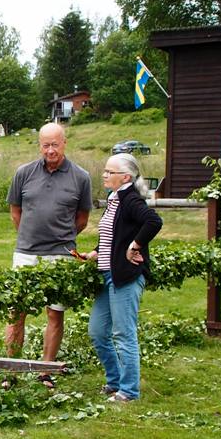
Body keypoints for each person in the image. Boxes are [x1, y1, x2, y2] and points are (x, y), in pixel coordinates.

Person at [3, 122, 92, 389]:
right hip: (26, 254)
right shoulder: (23, 173)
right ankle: (12, 370)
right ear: (39, 145)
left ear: (65, 142)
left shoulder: (81, 177)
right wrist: (30, 236)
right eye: (45, 145)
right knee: (16, 312)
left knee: (55, 313)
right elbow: (15, 212)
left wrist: (59, 238)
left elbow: (82, 219)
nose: (50, 150)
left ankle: (45, 370)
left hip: (61, 255)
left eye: (55, 144)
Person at [79, 153, 162, 402]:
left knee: (124, 334)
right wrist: (95, 252)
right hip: (107, 273)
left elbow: (153, 221)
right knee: (97, 332)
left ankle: (129, 391)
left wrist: (135, 246)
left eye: (109, 172)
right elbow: (112, 235)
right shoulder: (113, 199)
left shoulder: (130, 200)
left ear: (125, 177)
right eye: (104, 171)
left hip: (124, 276)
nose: (104, 175)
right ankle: (114, 381)